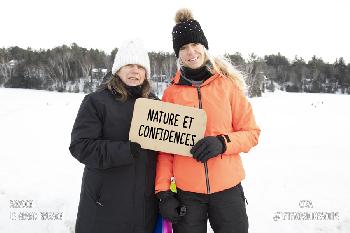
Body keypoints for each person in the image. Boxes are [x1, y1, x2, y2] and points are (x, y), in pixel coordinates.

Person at [155, 9, 261, 233]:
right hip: (187, 195)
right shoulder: (171, 94)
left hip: (228, 191)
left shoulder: (228, 87)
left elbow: (251, 133)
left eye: (194, 44)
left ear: (204, 46)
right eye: (183, 48)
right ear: (178, 54)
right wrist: (163, 192)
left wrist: (222, 143)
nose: (190, 52)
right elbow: (164, 150)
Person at [69, 40, 158, 233]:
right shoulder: (96, 101)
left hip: (144, 208)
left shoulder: (155, 106)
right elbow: (80, 146)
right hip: (105, 206)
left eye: (140, 67)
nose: (135, 71)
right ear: (117, 69)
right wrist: (125, 150)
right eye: (129, 65)